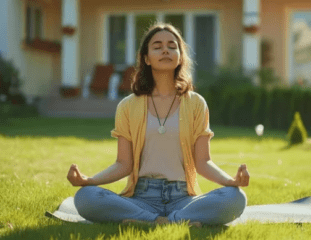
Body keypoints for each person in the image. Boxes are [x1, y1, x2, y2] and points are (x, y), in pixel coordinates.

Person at [67, 22, 250, 227]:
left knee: (235, 197)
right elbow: (123, 164)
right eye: (157, 46)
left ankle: (152, 222)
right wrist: (89, 181)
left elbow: (203, 162)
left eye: (172, 46)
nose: (165, 49)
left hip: (183, 199)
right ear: (146, 58)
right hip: (141, 198)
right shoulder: (127, 106)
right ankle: (171, 222)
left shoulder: (196, 103)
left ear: (180, 56)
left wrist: (231, 182)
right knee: (85, 197)